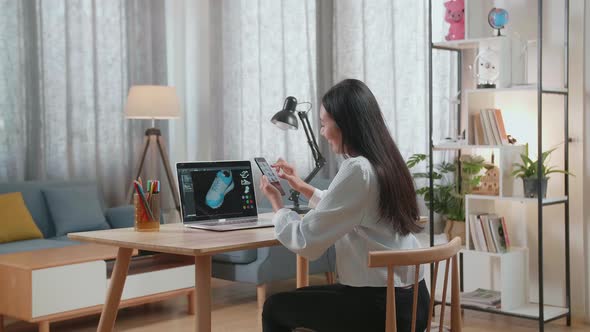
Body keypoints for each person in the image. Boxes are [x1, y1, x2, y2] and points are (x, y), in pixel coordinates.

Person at [259, 79, 430, 332]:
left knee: (275, 307)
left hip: (380, 309)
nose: (322, 132)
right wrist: (300, 186)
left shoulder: (357, 169)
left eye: (324, 123)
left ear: (345, 124)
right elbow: (350, 205)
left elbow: (307, 241)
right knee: (303, 298)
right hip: (413, 303)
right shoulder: (386, 161)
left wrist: (276, 203)